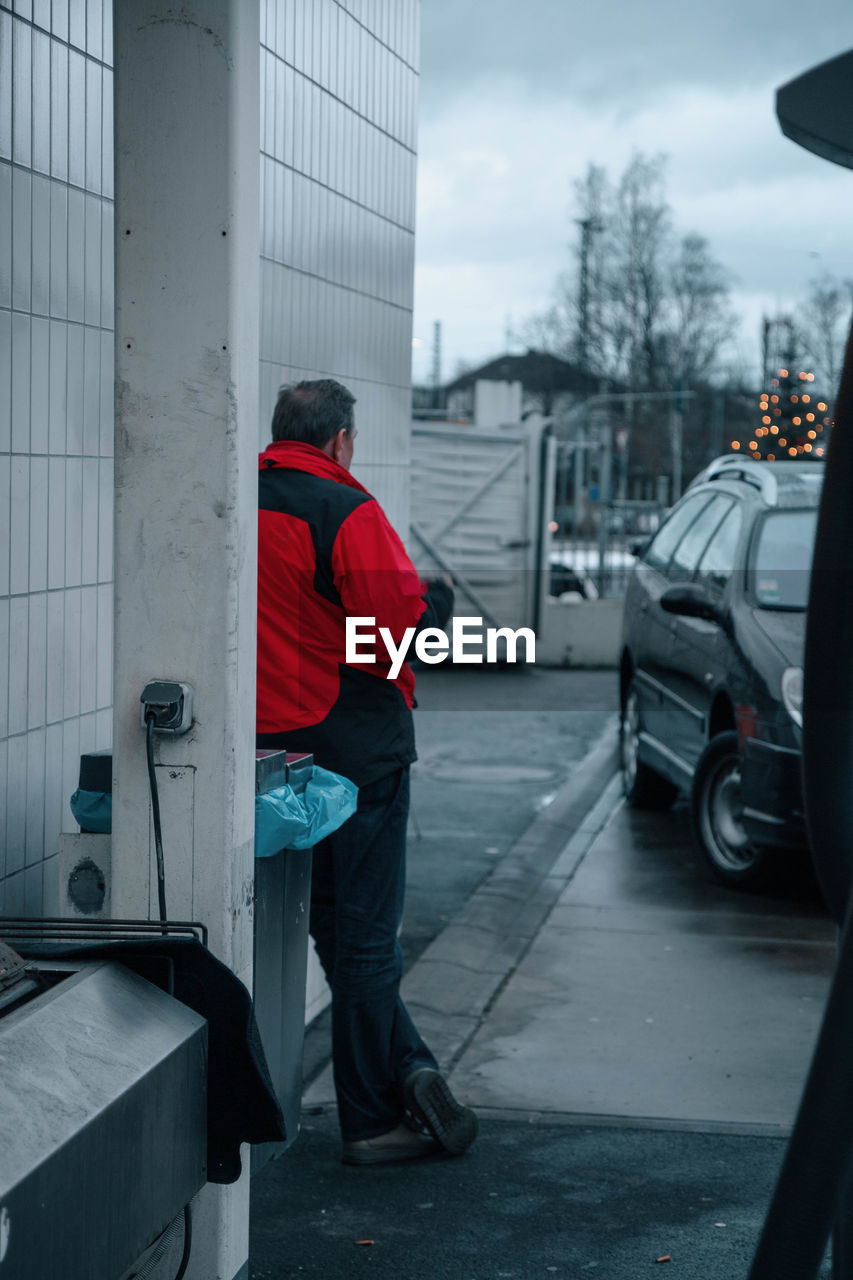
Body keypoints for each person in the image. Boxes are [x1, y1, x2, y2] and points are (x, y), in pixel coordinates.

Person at [256, 378, 478, 1166]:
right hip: (355, 757)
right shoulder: (347, 511)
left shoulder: (234, 503)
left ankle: (407, 1063)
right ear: (340, 441)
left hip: (268, 761)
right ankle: (371, 1122)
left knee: (329, 928)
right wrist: (437, 611)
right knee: (366, 940)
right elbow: (398, 633)